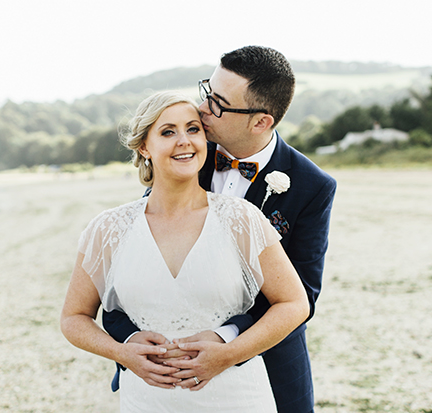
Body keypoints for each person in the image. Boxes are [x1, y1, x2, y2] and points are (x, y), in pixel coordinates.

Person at [103, 45, 337, 413]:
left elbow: (300, 297)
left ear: (260, 121)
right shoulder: (187, 151)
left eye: (218, 104)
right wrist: (131, 341)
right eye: (206, 92)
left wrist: (226, 342)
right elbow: (142, 261)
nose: (202, 109)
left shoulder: (312, 186)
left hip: (265, 362)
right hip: (166, 369)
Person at [60, 91, 309, 412]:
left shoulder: (241, 218)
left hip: (236, 395)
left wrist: (229, 354)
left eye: (193, 129)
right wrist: (121, 352)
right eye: (168, 132)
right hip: (147, 399)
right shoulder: (107, 229)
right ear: (144, 147)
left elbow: (294, 303)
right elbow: (73, 318)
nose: (184, 141)